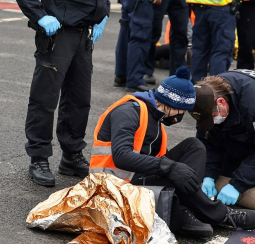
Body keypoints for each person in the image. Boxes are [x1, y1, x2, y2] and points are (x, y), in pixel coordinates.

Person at [10, 0, 112, 187]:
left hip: (85, 35)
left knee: (79, 99)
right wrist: (40, 15)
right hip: (58, 35)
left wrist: (102, 14)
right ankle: (39, 157)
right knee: (45, 98)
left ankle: (71, 155)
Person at [89, 66, 255, 238]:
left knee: (194, 145)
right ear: (172, 104)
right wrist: (169, 166)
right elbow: (121, 156)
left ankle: (186, 208)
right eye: (181, 111)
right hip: (114, 185)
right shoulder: (128, 112)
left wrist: (208, 176)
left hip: (138, 177)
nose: (180, 116)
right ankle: (223, 215)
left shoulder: (156, 116)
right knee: (175, 168)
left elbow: (158, 158)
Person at [191, 71, 255, 210]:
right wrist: (208, 175)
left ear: (221, 102)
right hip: (240, 140)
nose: (211, 121)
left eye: (212, 116)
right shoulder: (205, 99)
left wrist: (237, 185)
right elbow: (207, 141)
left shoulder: (251, 105)